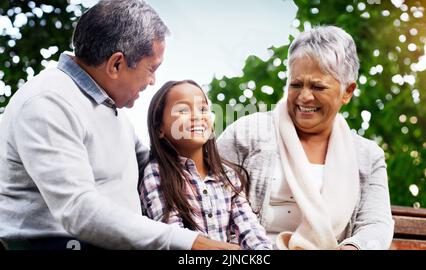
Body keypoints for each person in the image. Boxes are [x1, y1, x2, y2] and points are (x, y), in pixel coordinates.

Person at [0, 0, 237, 250]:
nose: (153, 81)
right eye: (151, 69)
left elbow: (161, 166)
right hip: (55, 245)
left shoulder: (113, 114)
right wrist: (192, 243)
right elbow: (78, 210)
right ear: (116, 64)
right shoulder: (48, 101)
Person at [217, 26, 394, 250]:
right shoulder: (247, 133)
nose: (304, 96)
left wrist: (353, 248)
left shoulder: (368, 156)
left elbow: (376, 224)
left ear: (347, 92)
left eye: (318, 86)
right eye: (296, 84)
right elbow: (204, 196)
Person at [139, 80, 272, 250]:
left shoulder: (227, 176)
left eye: (203, 109)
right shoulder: (156, 173)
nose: (197, 116)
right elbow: (172, 236)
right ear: (160, 129)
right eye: (183, 110)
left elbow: (250, 230)